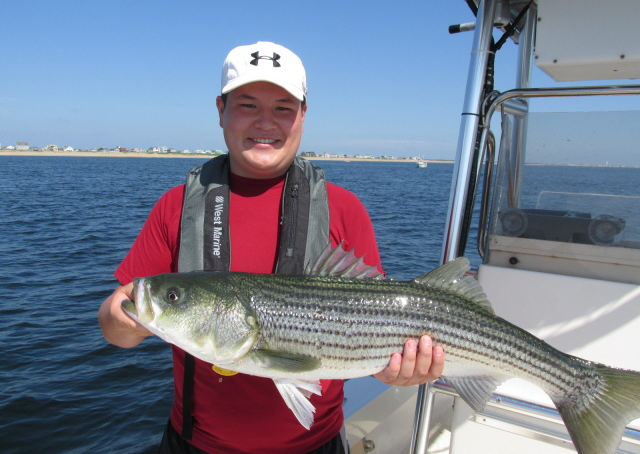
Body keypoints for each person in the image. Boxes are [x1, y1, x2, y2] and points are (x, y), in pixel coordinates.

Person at [98, 41, 445, 454]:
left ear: (303, 115)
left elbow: (375, 330)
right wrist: (125, 321)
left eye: (283, 107)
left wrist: (395, 370)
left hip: (318, 445)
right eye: (247, 105)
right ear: (220, 110)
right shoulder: (176, 206)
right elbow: (115, 324)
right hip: (195, 445)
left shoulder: (344, 209)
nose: (266, 122)